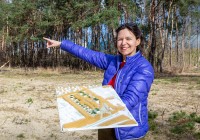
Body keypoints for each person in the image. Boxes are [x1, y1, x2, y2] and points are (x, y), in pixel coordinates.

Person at [43, 22, 154, 140]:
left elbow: (130, 100)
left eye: (128, 39)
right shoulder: (114, 61)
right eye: (120, 39)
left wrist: (90, 108)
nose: (123, 43)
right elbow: (89, 54)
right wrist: (62, 44)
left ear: (137, 41)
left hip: (127, 131)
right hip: (106, 124)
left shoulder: (144, 68)